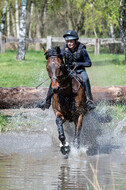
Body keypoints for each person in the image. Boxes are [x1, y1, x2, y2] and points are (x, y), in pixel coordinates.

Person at [37, 30, 95, 110]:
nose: (69, 43)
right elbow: (59, 56)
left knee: (85, 78)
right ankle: (47, 101)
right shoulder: (65, 49)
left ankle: (89, 101)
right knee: (55, 79)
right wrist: (50, 54)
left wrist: (78, 64)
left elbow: (89, 63)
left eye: (71, 41)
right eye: (68, 41)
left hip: (79, 71)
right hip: (68, 71)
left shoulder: (82, 49)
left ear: (75, 41)